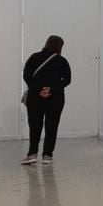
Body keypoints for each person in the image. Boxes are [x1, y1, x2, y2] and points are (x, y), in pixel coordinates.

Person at [21, 35, 71, 165]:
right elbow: (67, 80)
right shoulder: (62, 61)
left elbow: (26, 75)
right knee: (52, 126)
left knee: (34, 126)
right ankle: (47, 155)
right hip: (55, 98)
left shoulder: (34, 57)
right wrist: (51, 90)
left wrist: (39, 89)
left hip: (35, 97)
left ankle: (32, 154)